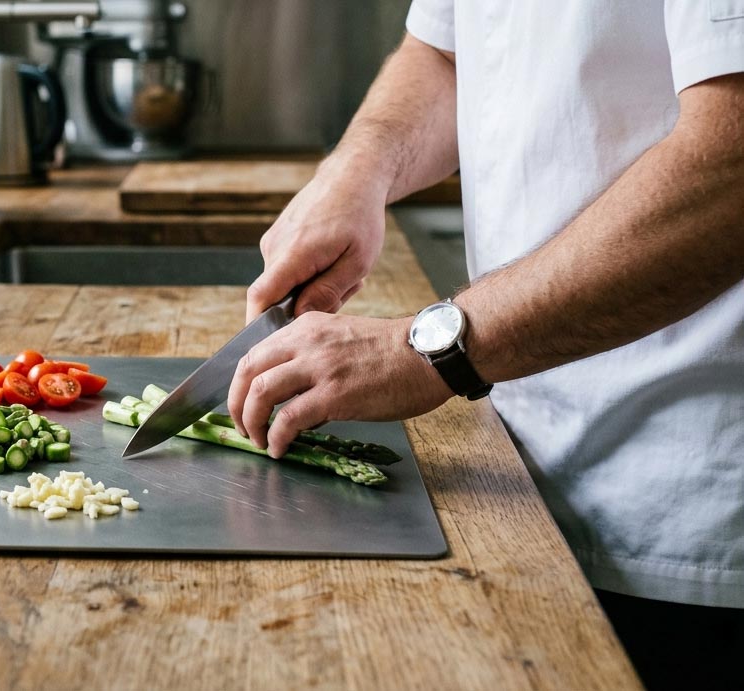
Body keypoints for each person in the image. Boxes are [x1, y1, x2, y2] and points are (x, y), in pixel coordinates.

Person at [225, 2, 744, 688]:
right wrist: (358, 168)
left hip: (686, 516)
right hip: (513, 482)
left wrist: (427, 352)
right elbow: (443, 54)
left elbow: (729, 162)